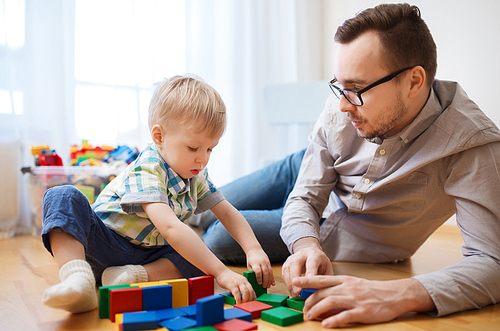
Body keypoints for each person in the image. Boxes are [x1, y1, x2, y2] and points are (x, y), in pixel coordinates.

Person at [197, 3, 500, 328]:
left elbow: (491, 262)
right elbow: (304, 198)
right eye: (340, 85)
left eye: (356, 89)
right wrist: (305, 244)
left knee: (217, 236)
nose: (341, 105)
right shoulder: (341, 109)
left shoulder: (473, 144)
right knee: (196, 207)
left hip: (347, 229)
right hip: (305, 168)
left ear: (414, 81)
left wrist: (400, 294)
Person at [40, 75, 274, 314]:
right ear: (159, 137)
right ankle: (78, 280)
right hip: (103, 243)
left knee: (200, 258)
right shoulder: (147, 169)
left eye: (209, 149)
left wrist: (253, 248)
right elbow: (171, 228)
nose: (202, 158)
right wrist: (222, 272)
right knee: (62, 195)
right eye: (193, 147)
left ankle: (129, 277)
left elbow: (226, 211)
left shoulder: (196, 174)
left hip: (148, 254)